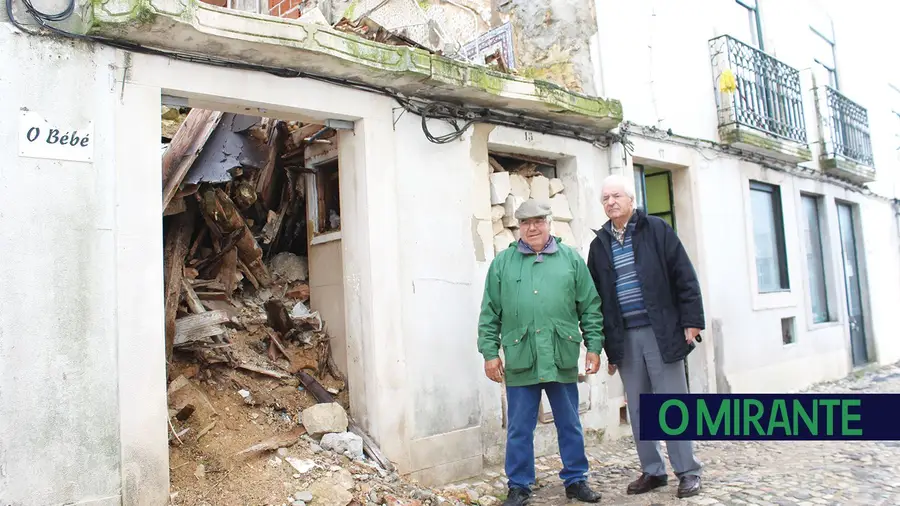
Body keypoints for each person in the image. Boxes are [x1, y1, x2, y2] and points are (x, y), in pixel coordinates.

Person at [478, 199, 606, 506]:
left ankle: (576, 480)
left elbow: (589, 306)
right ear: (518, 227)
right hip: (522, 358)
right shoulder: (502, 264)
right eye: (525, 223)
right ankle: (519, 485)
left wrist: (594, 346)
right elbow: (489, 313)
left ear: (549, 223)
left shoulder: (571, 260)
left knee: (569, 422)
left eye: (538, 221)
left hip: (560, 355)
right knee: (520, 428)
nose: (532, 227)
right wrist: (489, 353)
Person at [586, 174, 704, 499]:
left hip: (661, 331)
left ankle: (688, 472)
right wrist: (605, 345)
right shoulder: (599, 247)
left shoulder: (657, 230)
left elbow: (684, 275)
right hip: (625, 337)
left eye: (616, 196)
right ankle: (653, 471)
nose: (610, 202)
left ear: (630, 199)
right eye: (605, 198)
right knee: (639, 408)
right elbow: (596, 299)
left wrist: (692, 321)